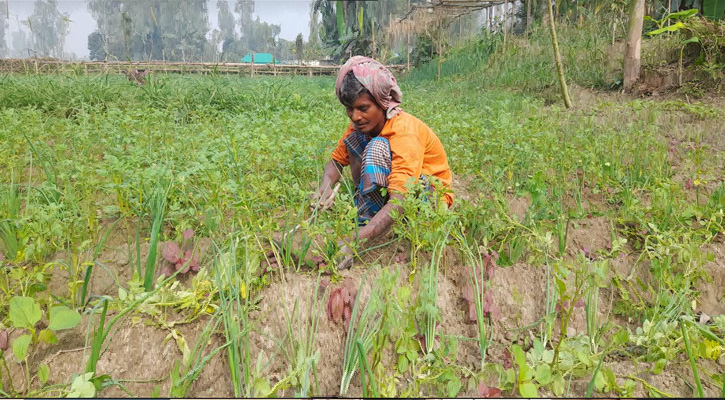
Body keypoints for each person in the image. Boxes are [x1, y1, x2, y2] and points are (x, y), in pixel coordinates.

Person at [309, 56, 454, 269]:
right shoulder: (360, 125)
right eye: (350, 109)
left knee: (377, 147)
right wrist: (324, 188)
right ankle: (368, 212)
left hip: (428, 196)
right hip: (399, 189)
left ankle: (366, 222)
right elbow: (336, 162)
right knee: (356, 140)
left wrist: (358, 237)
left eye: (363, 108)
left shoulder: (404, 133)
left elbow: (400, 201)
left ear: (382, 103)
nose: (355, 116)